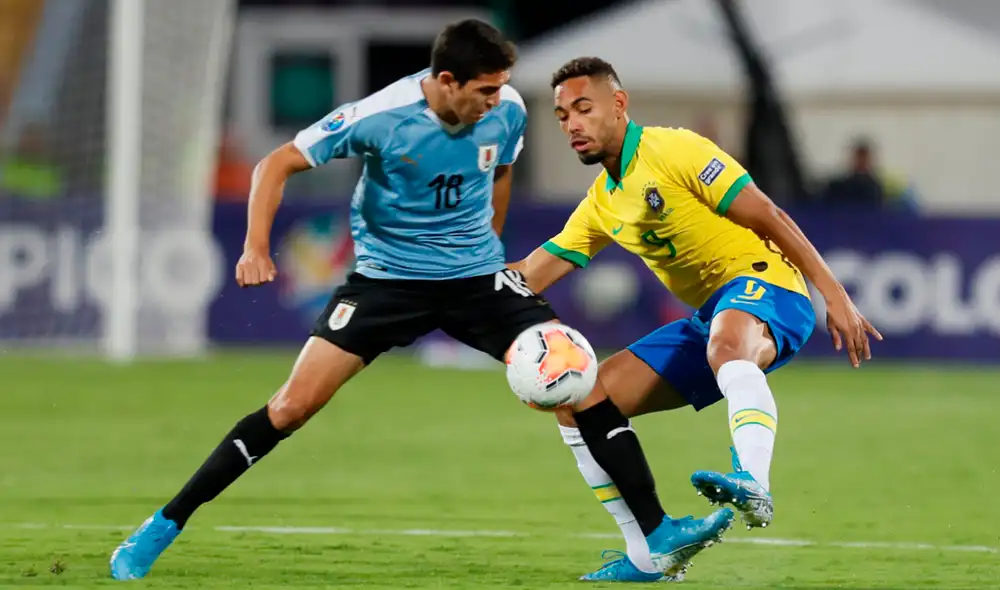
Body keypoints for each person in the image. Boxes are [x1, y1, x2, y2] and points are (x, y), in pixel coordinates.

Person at [108, 19, 565, 580]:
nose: (497, 100)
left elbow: (502, 169)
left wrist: (490, 243)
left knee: (574, 380)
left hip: (473, 280)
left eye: (501, 88)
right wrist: (255, 247)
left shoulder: (508, 109)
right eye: (486, 90)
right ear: (447, 80)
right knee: (290, 408)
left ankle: (649, 540)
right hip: (387, 283)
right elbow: (276, 163)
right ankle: (163, 524)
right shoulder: (381, 116)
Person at [510, 57, 882, 583]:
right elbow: (529, 274)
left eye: (584, 108)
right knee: (580, 404)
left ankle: (754, 481)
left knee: (726, 345)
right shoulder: (602, 203)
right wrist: (453, 287)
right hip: (711, 319)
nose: (572, 124)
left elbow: (769, 215)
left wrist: (834, 294)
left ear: (619, 105)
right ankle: (650, 553)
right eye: (562, 115)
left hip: (771, 287)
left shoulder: (674, 150)